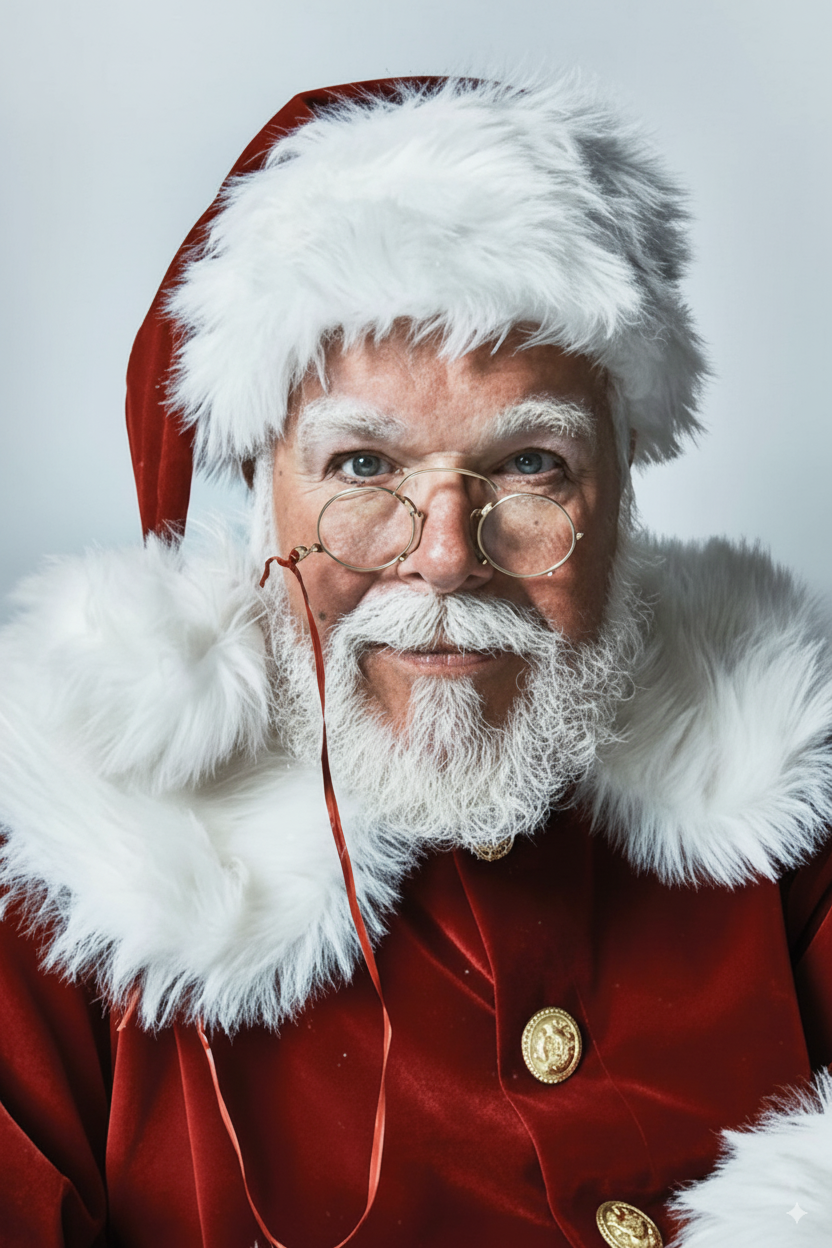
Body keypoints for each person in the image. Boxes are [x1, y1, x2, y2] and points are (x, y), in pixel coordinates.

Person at [0, 74, 830, 1248]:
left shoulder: (792, 789)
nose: (445, 560)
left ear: (624, 495)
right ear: (257, 502)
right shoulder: (57, 884)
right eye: (360, 468)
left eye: (534, 465)